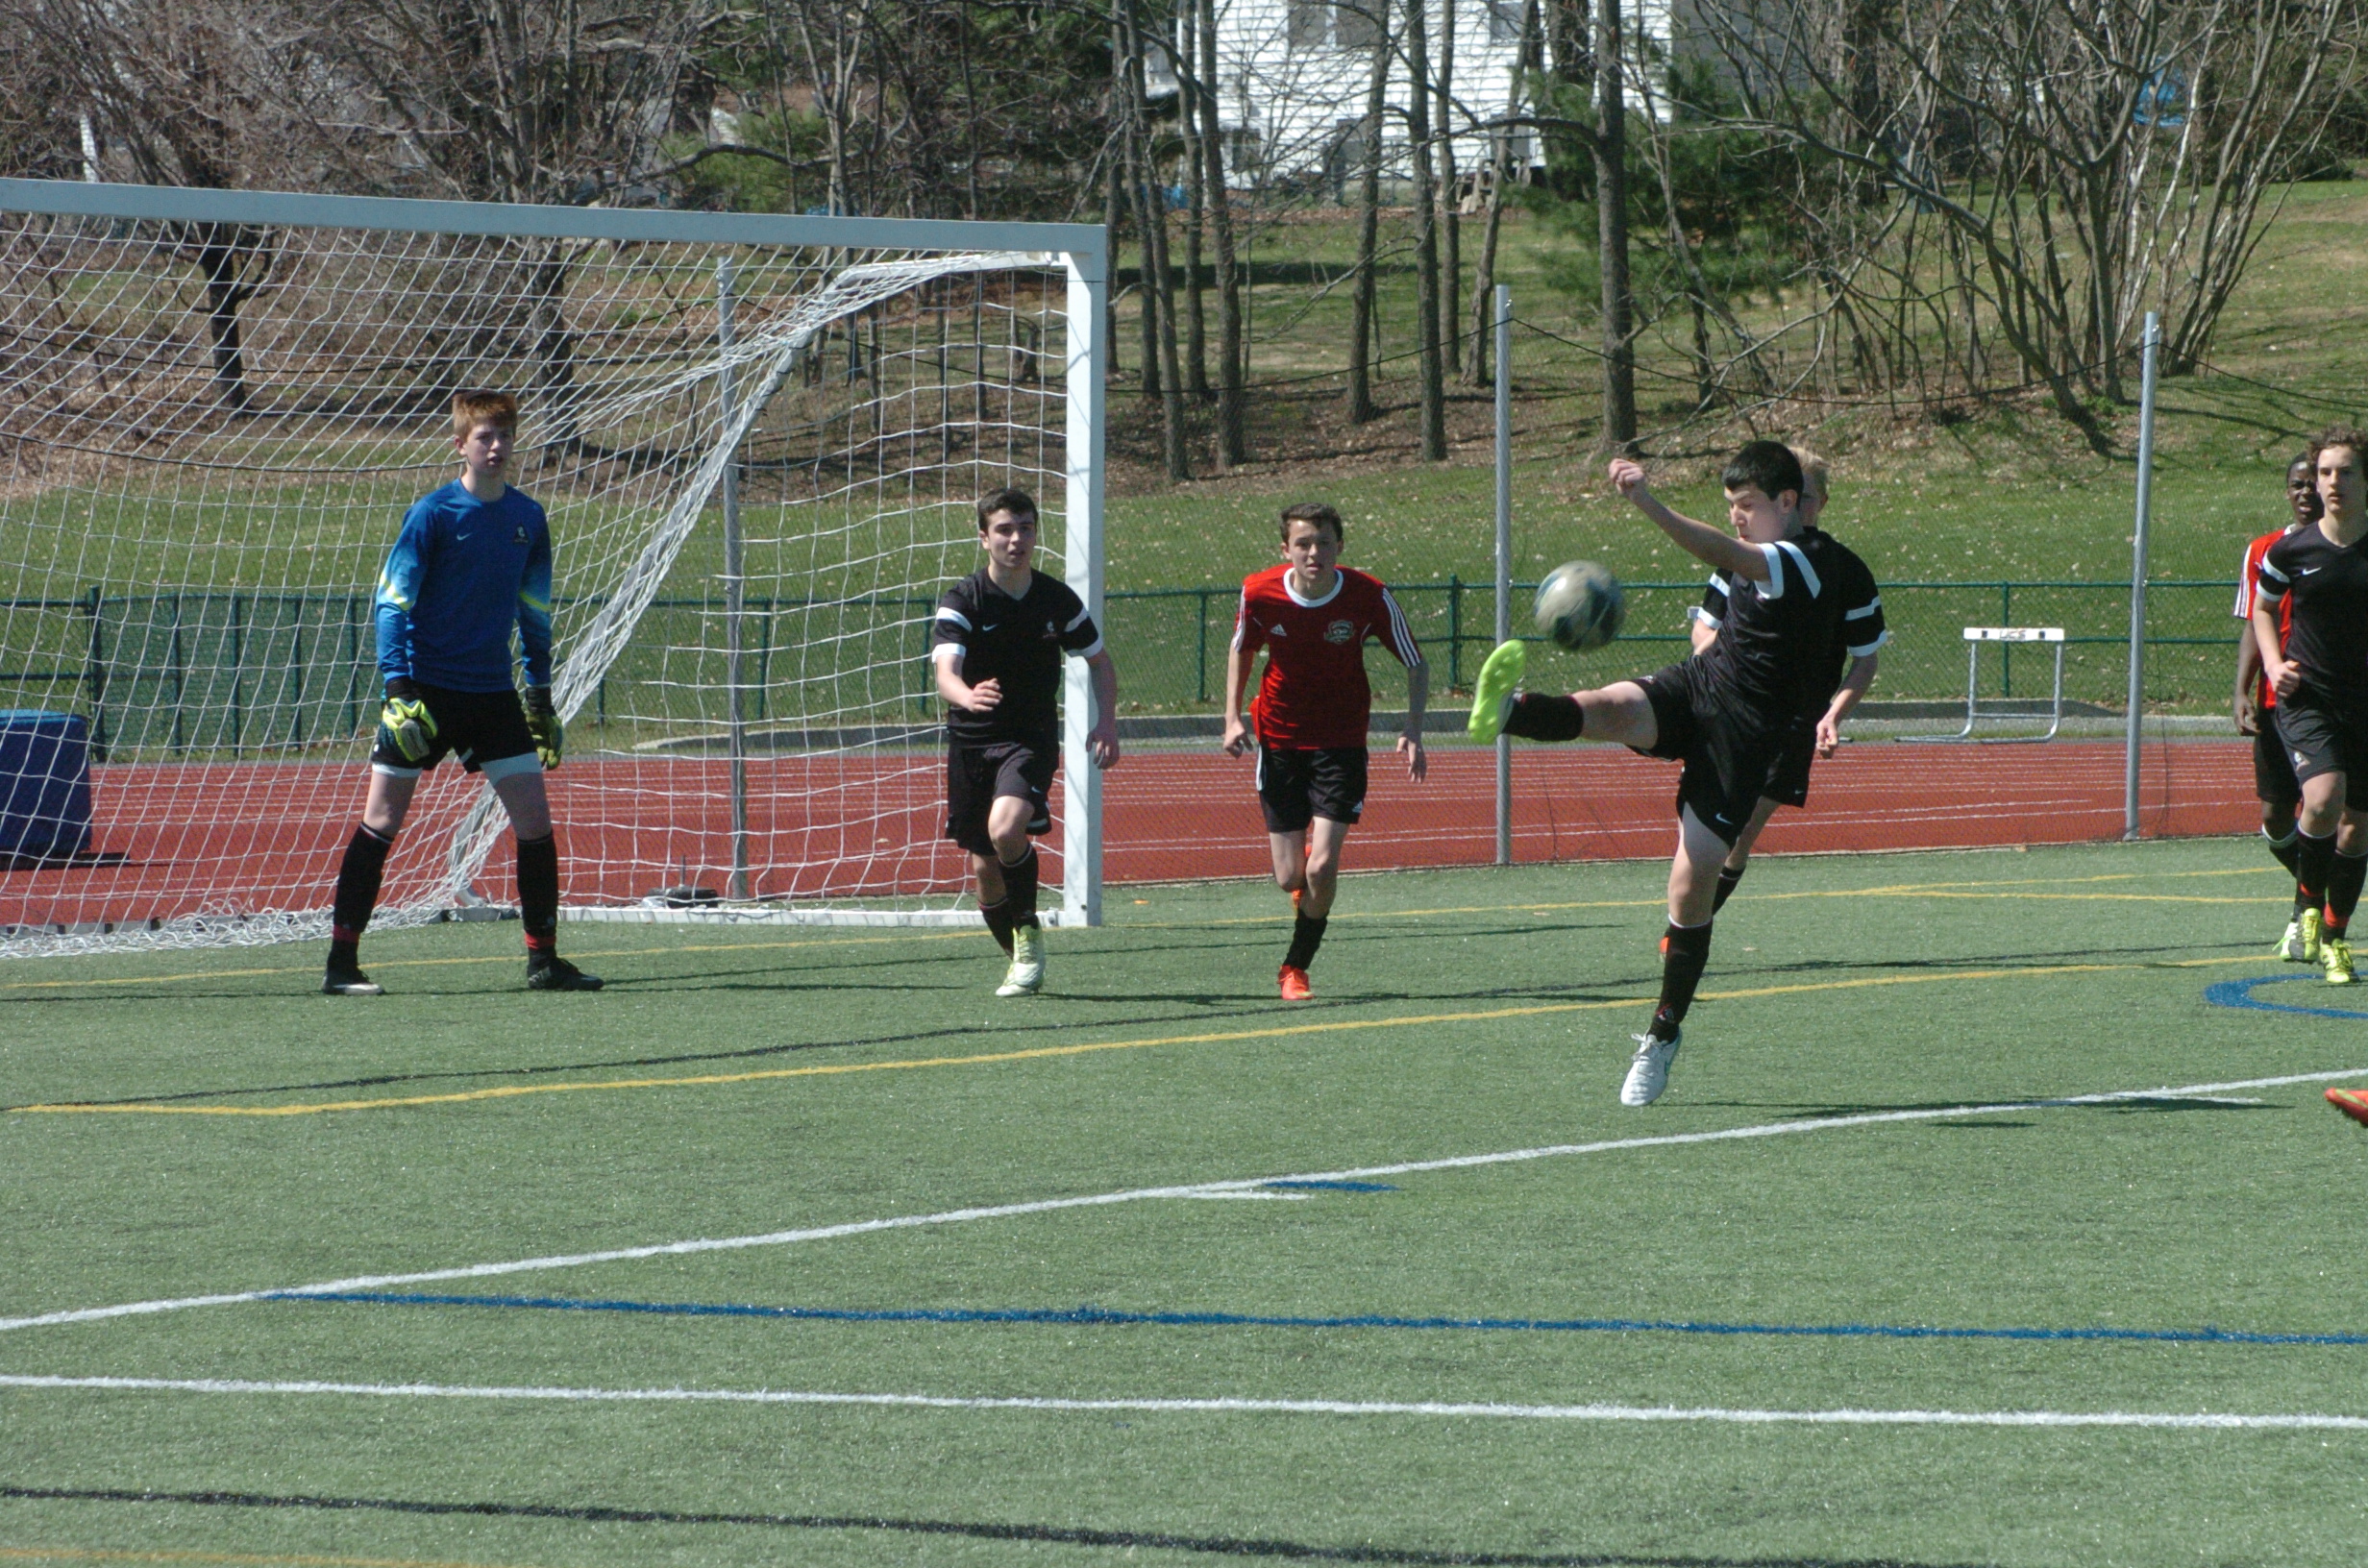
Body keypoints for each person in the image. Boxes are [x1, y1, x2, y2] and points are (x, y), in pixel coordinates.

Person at [1467, 441, 1884, 1106]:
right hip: (1701, 687)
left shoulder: (1810, 561)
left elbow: (1727, 553)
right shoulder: (1751, 556)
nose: (1737, 516)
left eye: (1747, 505)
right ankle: (1509, 711)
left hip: (1748, 740)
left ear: (1790, 504)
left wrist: (1647, 501)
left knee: (1692, 885)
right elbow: (1717, 603)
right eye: (1731, 506)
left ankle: (1662, 1033)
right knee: (1611, 708)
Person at [323, 389, 601, 995]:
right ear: (460, 445)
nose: (496, 446)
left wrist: (539, 695)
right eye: (484, 437)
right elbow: (392, 603)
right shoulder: (432, 514)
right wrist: (398, 689)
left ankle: (544, 961)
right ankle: (340, 965)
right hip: (424, 693)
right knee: (381, 820)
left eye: (504, 435)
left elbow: (534, 611)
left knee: (535, 822)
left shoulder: (528, 518)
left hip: (492, 694)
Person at [1223, 502, 1428, 999]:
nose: (1314, 553)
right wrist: (1231, 717)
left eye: (1324, 543)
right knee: (1289, 876)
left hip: (1340, 744)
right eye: (1304, 544)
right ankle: (1306, 878)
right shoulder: (1259, 592)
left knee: (1321, 868)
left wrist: (1414, 728)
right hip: (1279, 741)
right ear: (1286, 549)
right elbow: (1242, 648)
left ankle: (1295, 966)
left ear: (1340, 547)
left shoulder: (1368, 595)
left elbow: (1415, 662)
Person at [931, 487, 1120, 996]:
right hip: (971, 744)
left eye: (1026, 528)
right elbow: (946, 672)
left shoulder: (1056, 599)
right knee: (984, 868)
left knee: (1006, 828)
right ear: (984, 537)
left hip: (1028, 739)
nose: (1016, 540)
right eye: (1005, 530)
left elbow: (1099, 662)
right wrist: (967, 695)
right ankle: (1020, 956)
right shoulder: (963, 599)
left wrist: (1107, 722)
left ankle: (1029, 932)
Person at [1683, 448, 1882, 911]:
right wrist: (1727, 658)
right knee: (1707, 826)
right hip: (1731, 707)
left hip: (1792, 722)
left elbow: (1865, 660)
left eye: (1806, 497)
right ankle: (1688, 923)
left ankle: (1693, 925)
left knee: (1741, 830)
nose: (1797, 507)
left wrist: (1833, 715)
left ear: (1817, 503)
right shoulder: (1743, 560)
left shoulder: (1845, 571)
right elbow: (1703, 630)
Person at [2251, 428, 2368, 986]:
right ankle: (2305, 910)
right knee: (2321, 799)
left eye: (2345, 472)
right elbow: (2263, 609)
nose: (2332, 482)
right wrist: (2274, 665)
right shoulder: (2292, 550)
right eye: (2324, 472)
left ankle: (2335, 940)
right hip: (2310, 699)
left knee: (2357, 830)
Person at [2233, 454, 2322, 960]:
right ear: (2287, 491)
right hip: (2274, 701)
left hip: (2328, 701)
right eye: (2298, 484)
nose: (2307, 492)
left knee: (2323, 809)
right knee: (2275, 817)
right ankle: (2319, 883)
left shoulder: (2349, 548)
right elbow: (2254, 620)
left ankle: (2304, 916)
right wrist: (2240, 691)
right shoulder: (2263, 550)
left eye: (2314, 483)